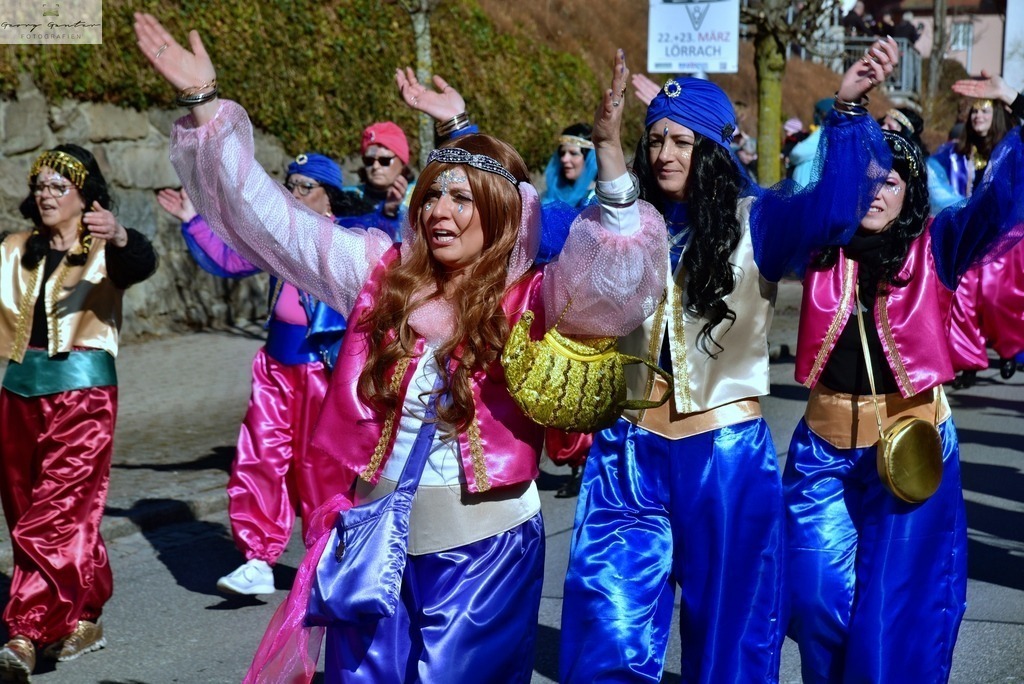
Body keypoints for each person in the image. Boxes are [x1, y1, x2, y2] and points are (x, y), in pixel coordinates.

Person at [133, 14, 667, 683]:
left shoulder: (538, 296)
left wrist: (612, 158)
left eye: (462, 198)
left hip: (484, 557)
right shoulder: (380, 272)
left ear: (502, 213)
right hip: (373, 552)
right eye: (433, 194)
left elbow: (618, 281)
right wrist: (205, 104)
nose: (439, 209)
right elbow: (271, 222)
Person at [559, 38, 899, 684]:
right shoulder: (624, 220)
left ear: (711, 149)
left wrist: (849, 114)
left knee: (730, 641)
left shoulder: (760, 221)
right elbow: (547, 234)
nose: (663, 154)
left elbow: (837, 206)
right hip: (627, 457)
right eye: (655, 139)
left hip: (723, 458)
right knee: (608, 627)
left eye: (681, 142)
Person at [784, 124, 1024, 682]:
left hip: (911, 450)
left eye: (889, 180)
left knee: (892, 617)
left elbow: (998, 202)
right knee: (814, 595)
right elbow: (760, 209)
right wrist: (846, 114)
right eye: (863, 177)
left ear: (910, 190)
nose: (875, 190)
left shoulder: (938, 244)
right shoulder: (820, 246)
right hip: (822, 451)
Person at [156, 155, 378, 597]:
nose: (293, 194)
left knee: (322, 469)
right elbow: (227, 259)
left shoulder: (349, 237)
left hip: (324, 368)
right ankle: (258, 557)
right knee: (259, 457)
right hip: (275, 366)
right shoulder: (276, 238)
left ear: (327, 194)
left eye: (304, 187)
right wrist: (192, 219)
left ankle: (328, 556)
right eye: (289, 185)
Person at [0, 144, 158, 682]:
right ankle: (85, 614)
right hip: (19, 391)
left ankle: (25, 630)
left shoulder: (104, 248)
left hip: (82, 395)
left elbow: (140, 261)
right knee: (27, 512)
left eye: (56, 187)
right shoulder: (14, 249)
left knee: (53, 513)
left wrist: (118, 235)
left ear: (84, 195)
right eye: (39, 186)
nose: (45, 195)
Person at [928, 95, 1017, 387]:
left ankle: (1010, 348)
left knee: (996, 296)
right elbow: (930, 175)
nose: (978, 116)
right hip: (968, 236)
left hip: (1004, 238)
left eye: (984, 111)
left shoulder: (1013, 148)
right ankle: (967, 362)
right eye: (974, 112)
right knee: (962, 298)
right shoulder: (953, 153)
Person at [345, 121, 414, 241]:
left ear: (402, 162)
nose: (376, 166)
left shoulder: (420, 196)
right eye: (369, 161)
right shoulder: (349, 198)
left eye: (384, 161)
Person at [542, 123, 598, 208]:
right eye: (562, 153)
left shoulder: (598, 199)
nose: (564, 159)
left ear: (590, 159)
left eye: (573, 153)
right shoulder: (551, 194)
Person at [789, 97, 836, 187]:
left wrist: (791, 158)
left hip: (805, 190)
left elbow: (798, 153)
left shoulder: (823, 133)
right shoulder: (840, 136)